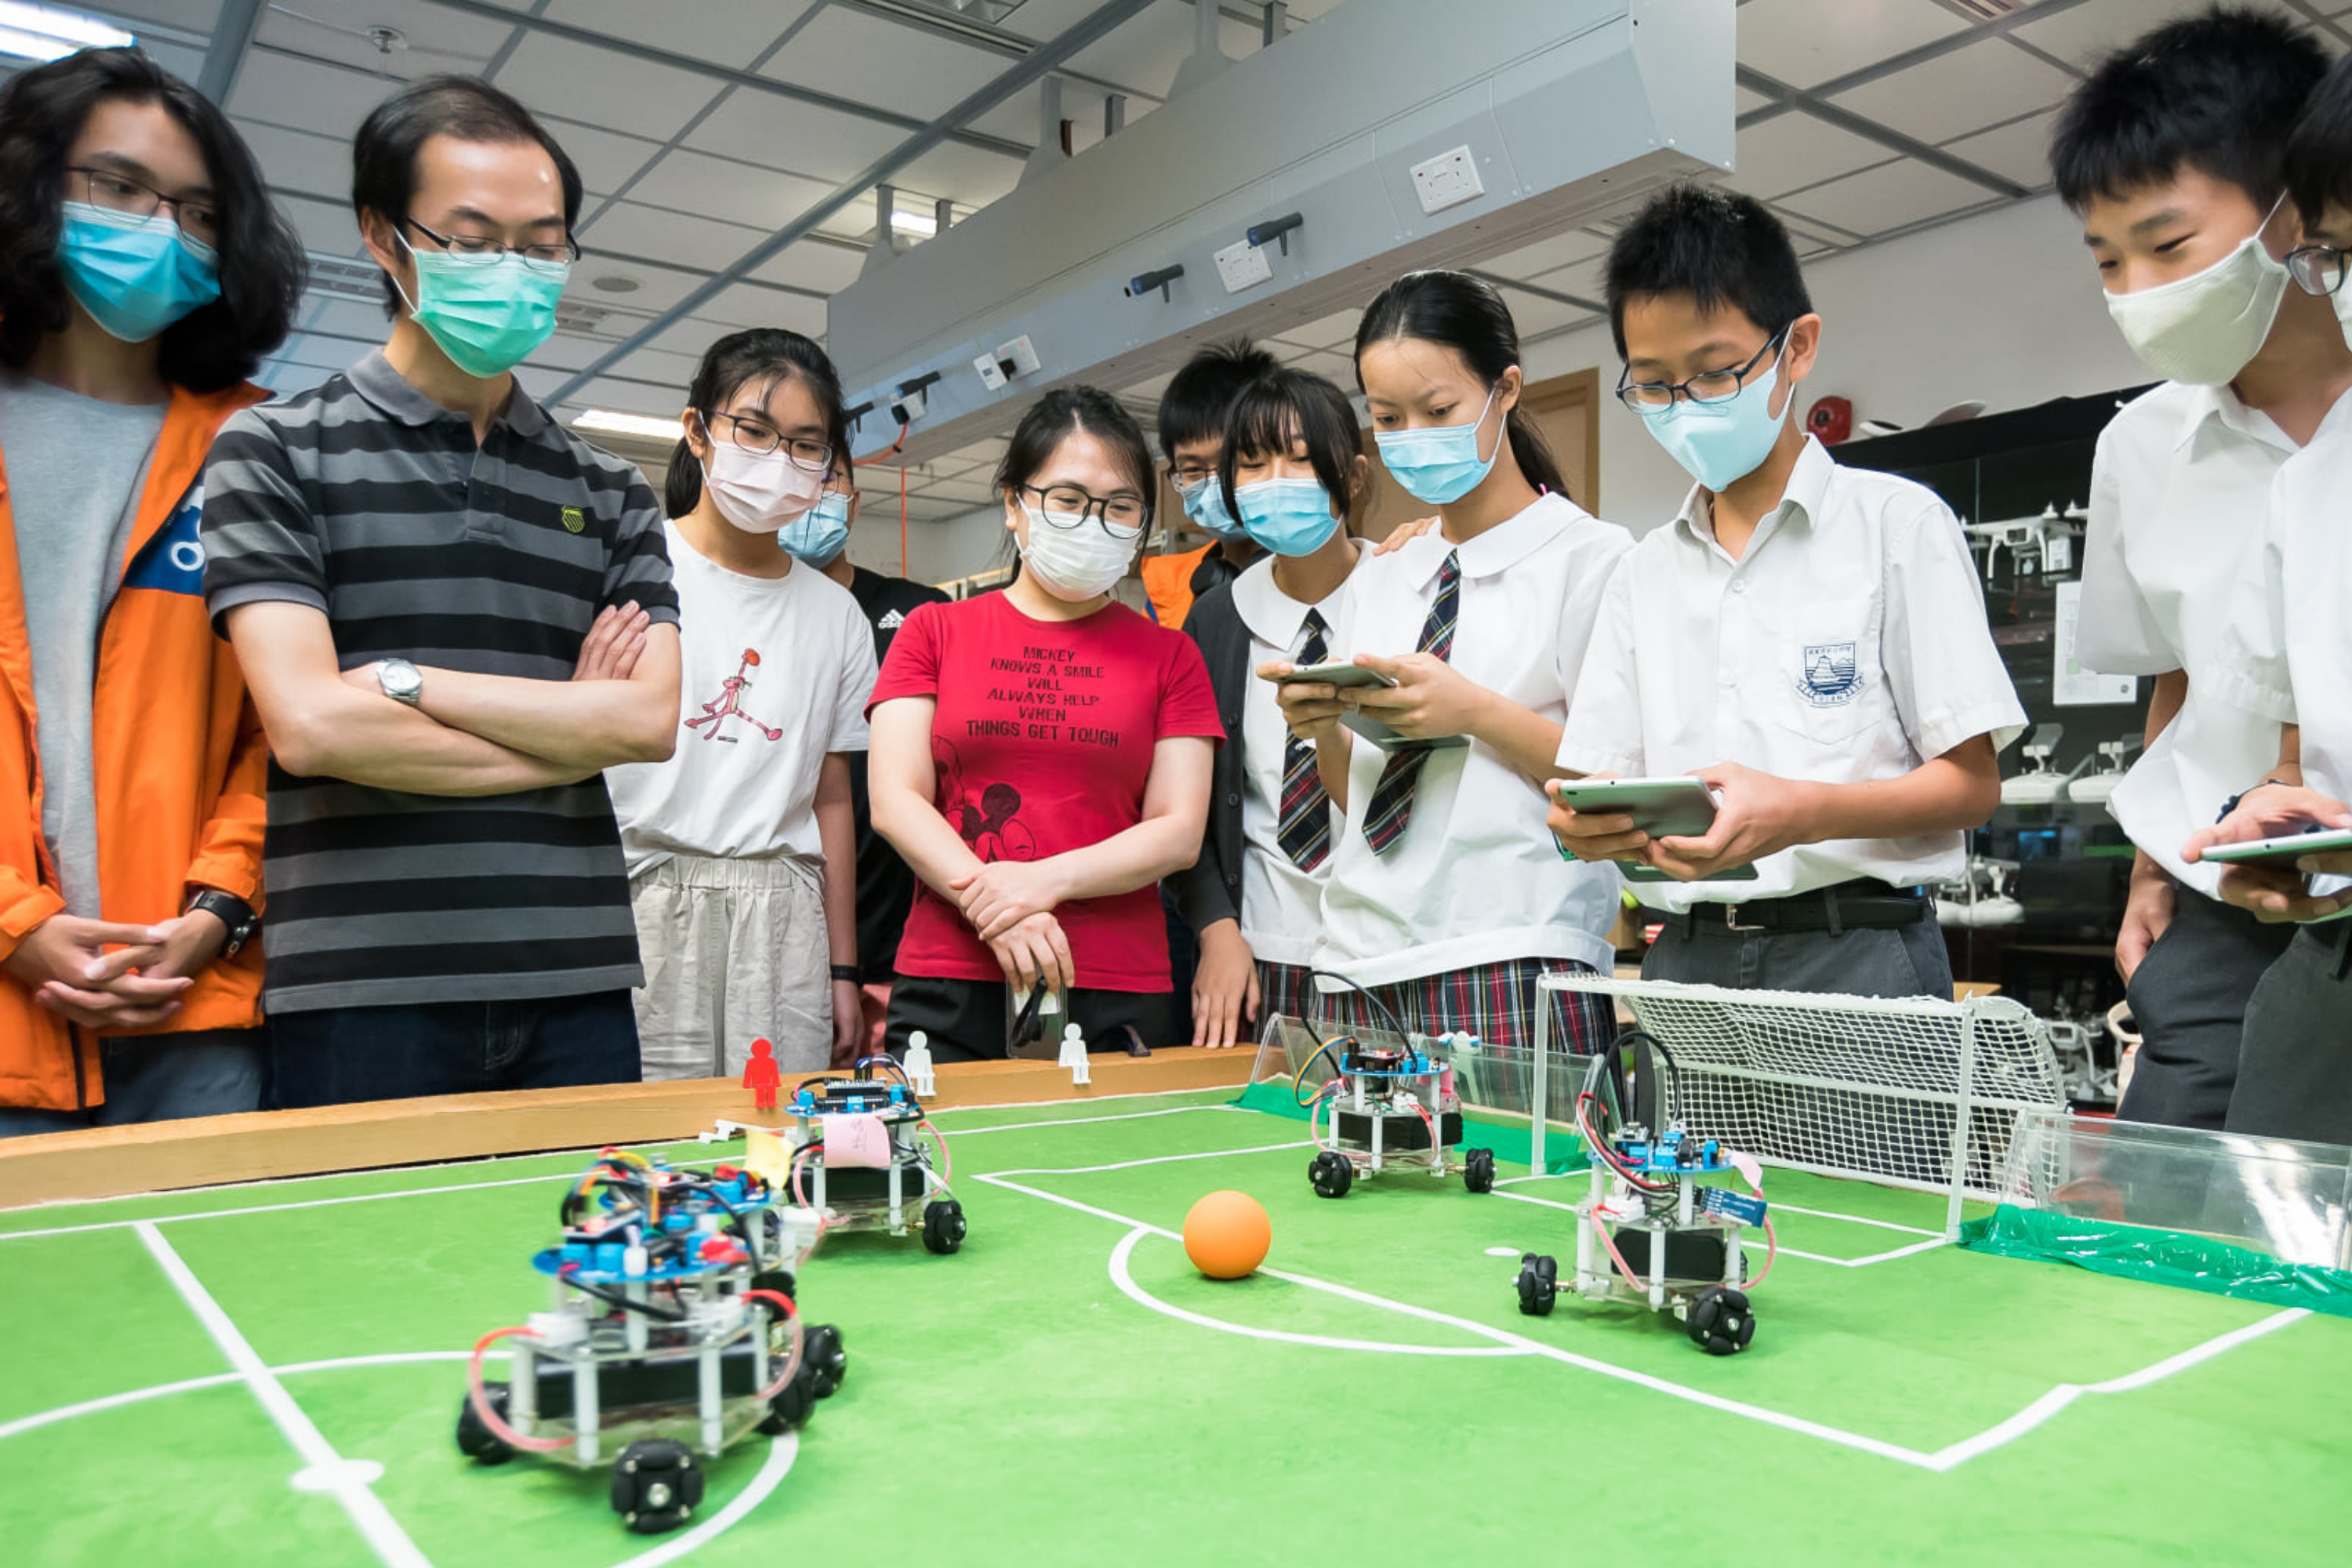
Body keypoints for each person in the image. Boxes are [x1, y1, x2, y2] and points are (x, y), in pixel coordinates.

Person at [201, 75, 680, 1104]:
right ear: (384, 237)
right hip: (364, 988)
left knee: (594, 1265)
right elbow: (314, 731)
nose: (514, 270)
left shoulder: (608, 489)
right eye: (470, 239)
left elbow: (644, 722)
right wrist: (562, 734)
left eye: (542, 243)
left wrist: (408, 682)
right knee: (372, 1264)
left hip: (579, 977)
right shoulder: (273, 448)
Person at [1548, 185, 2022, 998]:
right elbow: (1596, 781)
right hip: (1686, 959)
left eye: (1714, 373)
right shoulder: (1643, 572)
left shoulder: (1896, 527)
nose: (1684, 407)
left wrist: (1800, 811)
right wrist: (1586, 827)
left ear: (1797, 347)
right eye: (1655, 386)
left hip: (1859, 952)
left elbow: (1972, 785)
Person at [2048, 9, 2350, 1128]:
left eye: (2168, 248)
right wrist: (2148, 866)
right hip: (2228, 882)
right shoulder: (2140, 446)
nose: (2136, 290)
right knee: (2179, 1194)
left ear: (2297, 203)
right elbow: (2172, 677)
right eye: (2109, 261)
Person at [0, 48, 302, 1130]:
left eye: (197, 210)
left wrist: (217, 908)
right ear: (31, 184)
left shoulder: (258, 446)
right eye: (118, 188)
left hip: (192, 1007)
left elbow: (288, 725)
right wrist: (15, 924)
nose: (157, 228)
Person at [1271, 270, 1630, 1052]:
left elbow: (1615, 786)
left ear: (1505, 390)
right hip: (1359, 957)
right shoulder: (1385, 574)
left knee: (1530, 1180)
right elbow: (1357, 798)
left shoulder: (1594, 560)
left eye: (1438, 412)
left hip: (1512, 950)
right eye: (1387, 418)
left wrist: (1474, 712)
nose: (1412, 439)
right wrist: (1323, 724)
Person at [867, 387, 1221, 1062]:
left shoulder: (1171, 655)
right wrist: (995, 907)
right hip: (953, 972)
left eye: (1120, 507)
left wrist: (1039, 884)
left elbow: (1177, 831)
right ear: (1014, 503)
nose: (1094, 522)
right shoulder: (932, 630)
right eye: (1067, 500)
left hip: (1114, 979)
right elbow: (895, 800)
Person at [605, 328, 875, 1079]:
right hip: (644, 896)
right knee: (648, 1141)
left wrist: (843, 973)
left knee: (780, 1137)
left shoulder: (836, 615)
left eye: (805, 445)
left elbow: (832, 802)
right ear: (698, 430)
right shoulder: (631, 570)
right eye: (754, 432)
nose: (777, 461)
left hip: (783, 915)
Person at [2179, 50, 2352, 1145]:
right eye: (2342, 252)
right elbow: (2298, 756)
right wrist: (2268, 830)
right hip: (2333, 968)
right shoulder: (2318, 480)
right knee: (2272, 1288)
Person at [1181, 368, 1373, 1048]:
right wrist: (1216, 927)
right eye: (1253, 464)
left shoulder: (1411, 596)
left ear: (1350, 477)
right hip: (1261, 955)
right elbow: (1189, 807)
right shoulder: (1215, 620)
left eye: (1298, 457)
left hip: (1388, 952)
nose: (1275, 481)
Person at [805, 469, 950, 1055]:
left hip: (901, 923)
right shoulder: (766, 614)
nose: (810, 493)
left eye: (827, 475)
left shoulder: (920, 613)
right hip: (794, 916)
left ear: (854, 500)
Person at [1140, 338, 1276, 632]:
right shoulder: (1166, 598)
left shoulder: (1329, 573)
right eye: (1192, 469)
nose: (1213, 482)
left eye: (1229, 462)